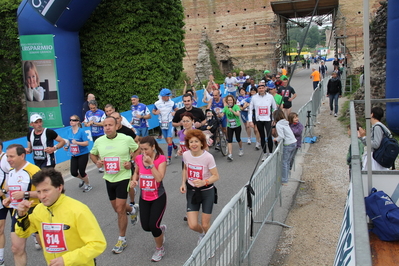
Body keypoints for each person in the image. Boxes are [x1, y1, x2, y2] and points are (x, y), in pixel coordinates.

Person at [14, 168, 106, 266]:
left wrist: (66, 260)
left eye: (46, 190)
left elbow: (97, 244)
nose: (41, 196)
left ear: (59, 188)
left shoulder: (78, 210)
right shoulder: (39, 210)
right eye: (39, 192)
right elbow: (22, 233)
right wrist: (21, 215)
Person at [90, 116, 139, 254]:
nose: (107, 127)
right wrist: (97, 162)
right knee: (117, 209)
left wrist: (132, 162)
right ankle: (133, 210)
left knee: (119, 209)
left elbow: (137, 150)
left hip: (123, 177)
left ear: (116, 126)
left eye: (110, 125)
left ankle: (121, 239)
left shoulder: (126, 138)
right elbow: (92, 154)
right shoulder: (99, 141)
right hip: (109, 178)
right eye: (105, 125)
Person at [130, 136, 167, 262]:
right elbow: (137, 172)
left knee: (153, 225)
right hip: (144, 197)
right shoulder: (139, 158)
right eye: (141, 149)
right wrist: (134, 180)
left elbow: (159, 178)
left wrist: (151, 165)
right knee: (146, 227)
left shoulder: (161, 159)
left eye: (146, 149)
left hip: (158, 197)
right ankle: (160, 230)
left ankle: (159, 248)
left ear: (153, 147)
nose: (143, 152)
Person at [2, 144, 40, 266]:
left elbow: (46, 193)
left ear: (22, 155)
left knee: (47, 247)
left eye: (11, 156)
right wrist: (8, 199)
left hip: (35, 211)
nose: (8, 159)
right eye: (7, 156)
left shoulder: (34, 171)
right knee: (16, 249)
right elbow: (13, 191)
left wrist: (25, 194)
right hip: (17, 212)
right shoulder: (11, 172)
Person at [180, 129, 219, 245]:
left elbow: (216, 176)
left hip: (207, 191)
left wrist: (204, 182)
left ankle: (210, 241)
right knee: (192, 225)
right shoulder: (186, 154)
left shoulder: (208, 157)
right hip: (192, 191)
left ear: (202, 143)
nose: (194, 144)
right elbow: (185, 169)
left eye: (196, 141)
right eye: (191, 142)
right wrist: (183, 183)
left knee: (205, 224)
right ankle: (203, 234)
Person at [109, 111, 140, 225]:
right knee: (117, 206)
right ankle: (132, 209)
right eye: (114, 119)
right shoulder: (110, 133)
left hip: (127, 164)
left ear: (121, 119)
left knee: (130, 185)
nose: (116, 120)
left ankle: (132, 202)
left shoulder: (127, 131)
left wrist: (132, 157)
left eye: (117, 118)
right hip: (114, 170)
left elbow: (137, 142)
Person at [248, 85, 278, 161]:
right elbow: (250, 110)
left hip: (268, 119)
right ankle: (265, 153)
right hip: (259, 120)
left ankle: (271, 153)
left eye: (262, 88)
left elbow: (275, 108)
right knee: (262, 137)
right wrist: (250, 121)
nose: (261, 89)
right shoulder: (254, 97)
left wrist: (274, 119)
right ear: (258, 89)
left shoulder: (270, 97)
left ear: (265, 88)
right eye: (259, 88)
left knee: (269, 136)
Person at [64, 115, 92, 192]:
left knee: (82, 171)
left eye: (73, 120)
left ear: (77, 122)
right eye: (70, 120)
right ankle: (83, 179)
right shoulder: (69, 131)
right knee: (73, 172)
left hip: (83, 153)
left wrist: (77, 142)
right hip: (74, 153)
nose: (71, 122)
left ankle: (88, 184)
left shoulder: (81, 131)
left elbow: (87, 143)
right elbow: (69, 141)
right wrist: (67, 146)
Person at [153, 88, 178, 165]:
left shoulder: (172, 102)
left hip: (170, 122)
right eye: (167, 96)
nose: (169, 97)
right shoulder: (157, 103)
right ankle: (175, 147)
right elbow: (153, 111)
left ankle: (169, 158)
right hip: (162, 123)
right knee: (167, 141)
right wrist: (155, 112)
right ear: (163, 96)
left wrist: (175, 112)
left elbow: (178, 110)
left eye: (169, 96)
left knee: (169, 140)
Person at [272, 109, 297, 184]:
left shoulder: (279, 124)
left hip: (288, 144)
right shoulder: (285, 123)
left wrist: (276, 139)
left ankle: (284, 180)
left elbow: (281, 136)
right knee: (288, 161)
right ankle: (286, 176)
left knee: (284, 162)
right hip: (294, 142)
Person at [84, 100, 106, 172]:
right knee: (95, 151)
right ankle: (99, 165)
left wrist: (94, 122)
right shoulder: (88, 113)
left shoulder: (101, 112)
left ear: (96, 106)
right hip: (92, 134)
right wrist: (87, 124)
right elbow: (85, 123)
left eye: (94, 108)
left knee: (101, 150)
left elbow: (103, 123)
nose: (92, 109)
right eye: (91, 108)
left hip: (101, 133)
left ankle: (105, 163)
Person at [222, 95, 243, 161]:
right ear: (227, 101)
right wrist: (219, 114)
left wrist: (232, 111)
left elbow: (238, 114)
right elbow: (222, 114)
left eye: (231, 100)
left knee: (238, 139)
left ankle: (241, 149)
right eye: (228, 100)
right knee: (229, 140)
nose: (230, 101)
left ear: (233, 100)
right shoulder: (225, 108)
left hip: (237, 125)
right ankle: (230, 154)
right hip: (229, 126)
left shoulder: (236, 106)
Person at [0, 141, 11, 265]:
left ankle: (35, 235)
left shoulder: (5, 159)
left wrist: (3, 190)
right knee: (0, 228)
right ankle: (1, 258)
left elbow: (13, 174)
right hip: (1, 200)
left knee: (25, 222)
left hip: (11, 197)